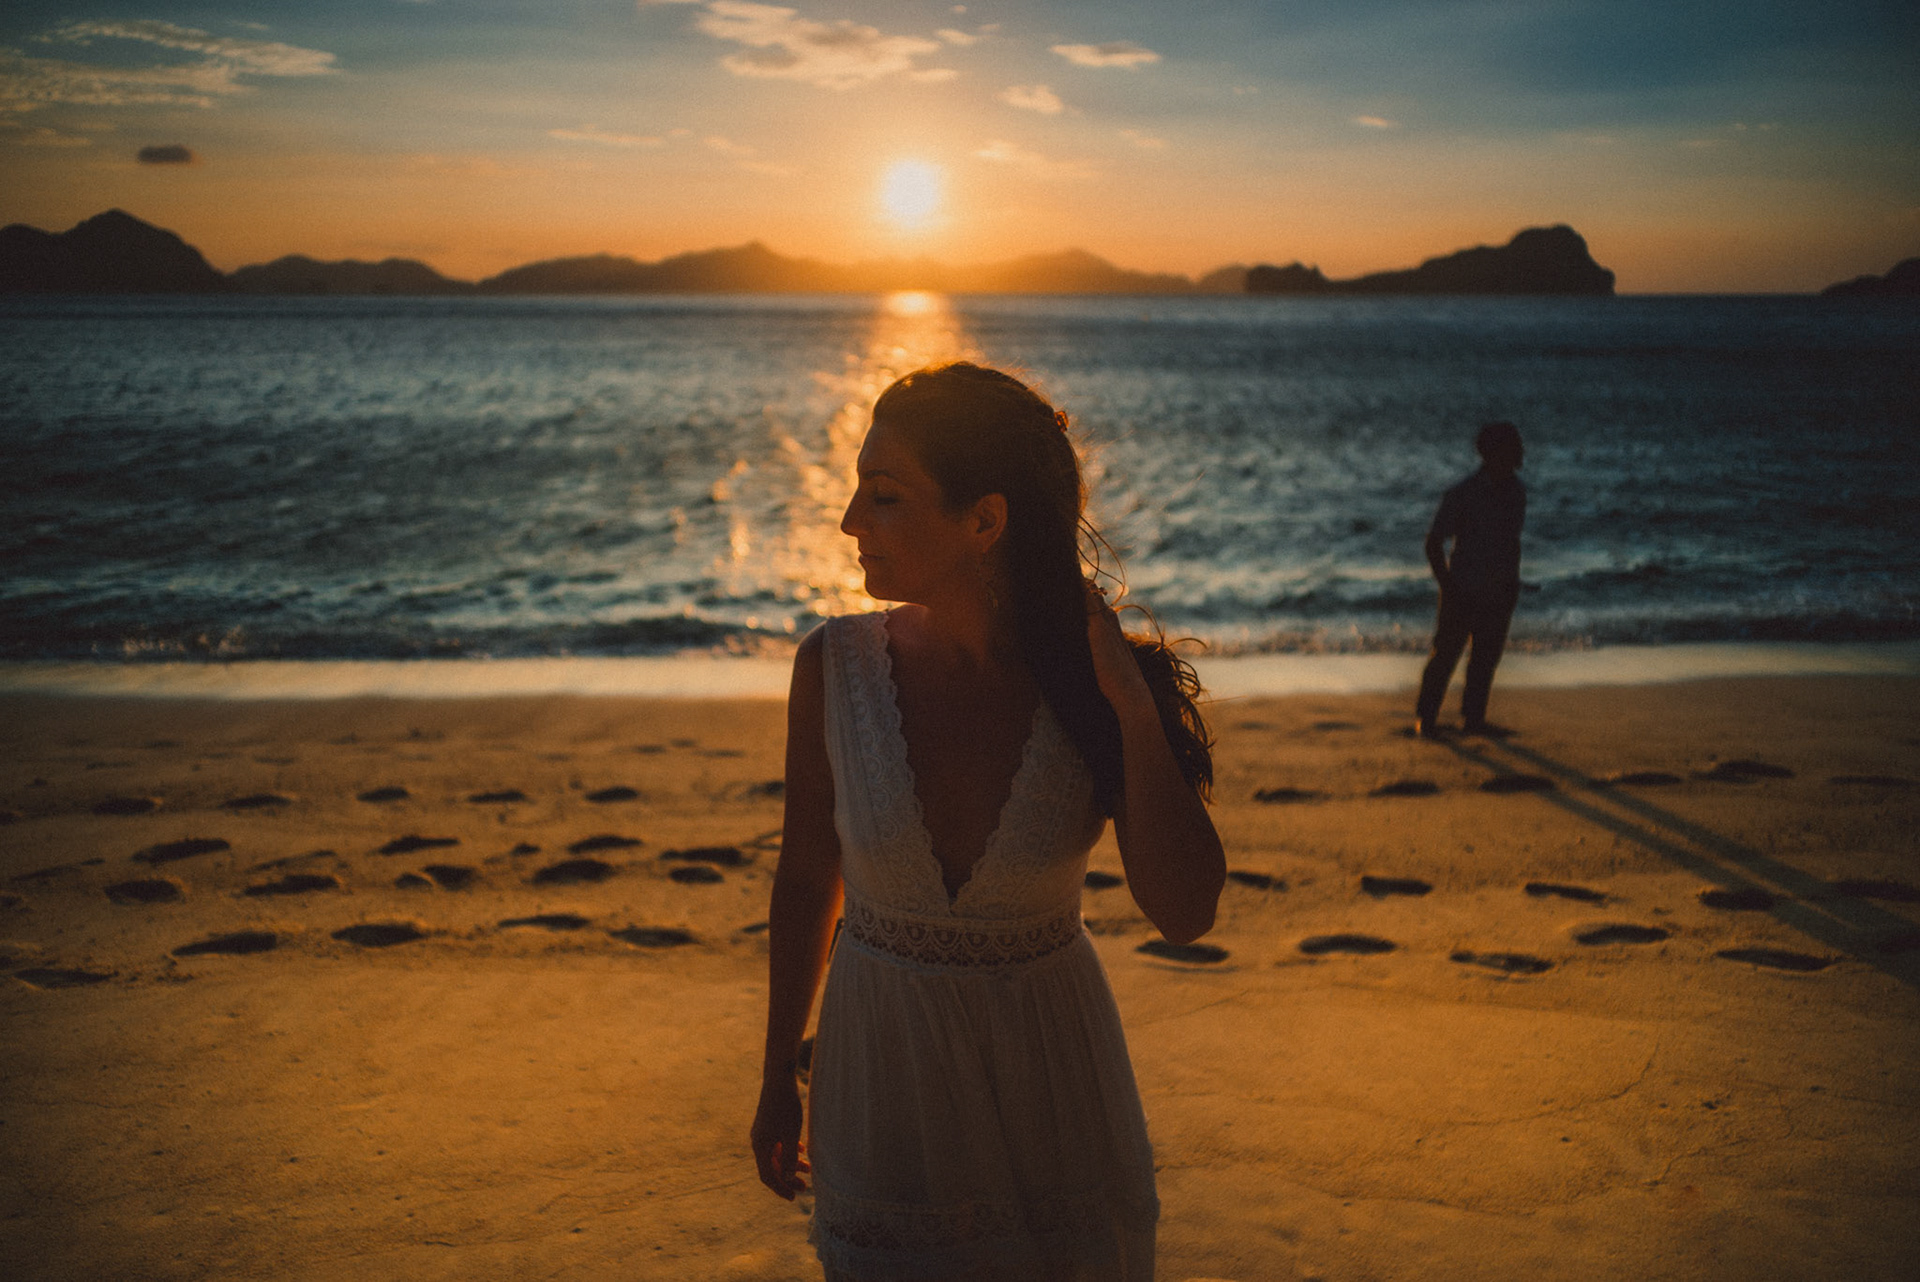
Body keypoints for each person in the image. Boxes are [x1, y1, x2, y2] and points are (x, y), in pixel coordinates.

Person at [750, 362, 1226, 1280]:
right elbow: (806, 879)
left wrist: (1133, 711)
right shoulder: (834, 669)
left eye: (885, 496)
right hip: (883, 1081)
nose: (849, 521)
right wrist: (777, 1079)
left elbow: (1186, 913)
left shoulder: (1095, 684)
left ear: (984, 522)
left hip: (1054, 1090)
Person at [1414, 420, 1526, 738]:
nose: (1520, 452)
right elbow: (1433, 543)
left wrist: (1511, 583)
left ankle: (1473, 719)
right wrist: (1448, 586)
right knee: (1445, 656)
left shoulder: (1516, 492)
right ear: (1491, 453)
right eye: (1513, 446)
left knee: (1485, 660)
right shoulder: (1463, 494)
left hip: (1500, 590)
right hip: (1463, 588)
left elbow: (1511, 543)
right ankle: (1426, 719)